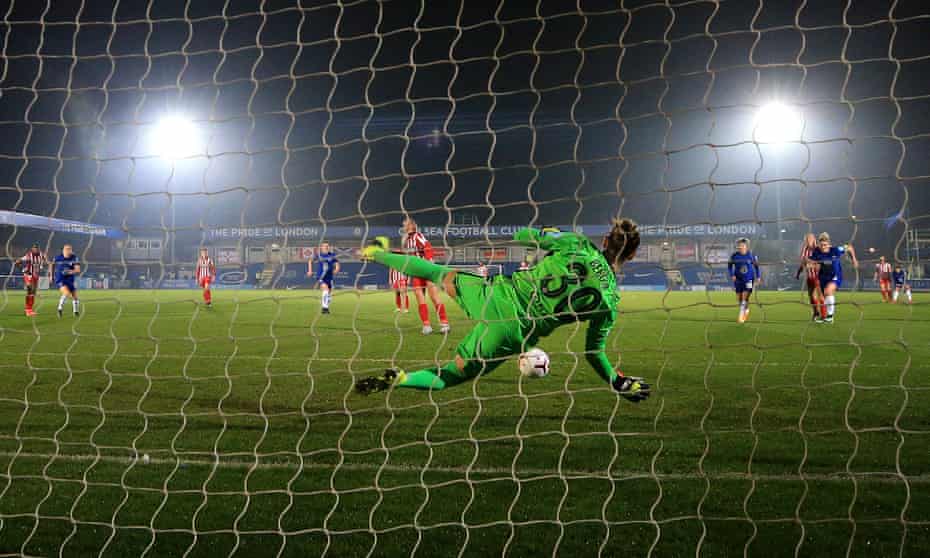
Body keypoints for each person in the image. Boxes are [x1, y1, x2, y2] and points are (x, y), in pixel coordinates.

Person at [354, 221, 650, 403]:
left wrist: (549, 237)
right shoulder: (610, 301)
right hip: (512, 332)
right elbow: (593, 353)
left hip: (494, 294)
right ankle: (403, 378)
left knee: (435, 272)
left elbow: (523, 235)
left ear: (605, 240)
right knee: (450, 375)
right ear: (632, 255)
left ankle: (375, 253)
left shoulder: (578, 244)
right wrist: (619, 381)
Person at [403, 217, 449, 334]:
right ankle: (426, 325)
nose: (404, 225)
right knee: (419, 296)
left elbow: (428, 247)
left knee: (433, 296)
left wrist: (428, 264)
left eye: (406, 223)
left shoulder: (417, 235)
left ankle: (444, 324)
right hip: (416, 272)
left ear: (412, 225)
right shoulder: (407, 241)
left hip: (426, 269)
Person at [808, 232, 858, 323]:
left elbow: (849, 247)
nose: (823, 247)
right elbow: (810, 261)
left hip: (835, 276)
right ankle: (824, 316)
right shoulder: (816, 251)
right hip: (822, 278)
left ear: (829, 244)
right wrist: (810, 264)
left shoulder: (836, 250)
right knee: (819, 296)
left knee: (828, 291)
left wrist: (854, 259)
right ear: (819, 244)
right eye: (821, 245)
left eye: (825, 245)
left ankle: (830, 317)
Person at [728, 238, 760, 323]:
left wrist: (758, 277)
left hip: (749, 279)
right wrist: (732, 275)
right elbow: (729, 266)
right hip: (738, 280)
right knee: (739, 298)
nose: (740, 246)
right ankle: (746, 309)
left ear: (746, 246)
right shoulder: (734, 255)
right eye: (739, 245)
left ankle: (741, 316)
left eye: (742, 245)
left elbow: (756, 267)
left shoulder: (751, 255)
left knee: (745, 297)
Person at [796, 233, 825, 321]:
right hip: (809, 277)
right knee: (811, 296)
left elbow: (823, 262)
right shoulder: (805, 250)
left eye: (809, 240)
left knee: (819, 296)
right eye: (806, 240)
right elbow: (803, 263)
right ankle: (816, 312)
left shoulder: (818, 249)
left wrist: (813, 265)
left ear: (813, 240)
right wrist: (798, 273)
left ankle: (823, 315)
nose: (807, 241)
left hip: (818, 276)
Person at [15, 243, 48, 316]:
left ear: (39, 249)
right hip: (28, 274)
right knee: (30, 289)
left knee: (33, 292)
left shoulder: (41, 255)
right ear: (32, 249)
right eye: (34, 248)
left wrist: (43, 266)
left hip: (36, 276)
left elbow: (46, 261)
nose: (36, 249)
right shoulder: (28, 255)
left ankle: (30, 309)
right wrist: (23, 269)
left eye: (37, 248)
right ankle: (28, 310)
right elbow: (17, 262)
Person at [310, 241, 339, 314]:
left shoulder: (332, 255)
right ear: (322, 247)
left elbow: (337, 263)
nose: (326, 247)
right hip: (321, 277)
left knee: (329, 295)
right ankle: (324, 308)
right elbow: (310, 261)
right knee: (325, 290)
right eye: (324, 246)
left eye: (327, 246)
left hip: (330, 277)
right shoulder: (319, 255)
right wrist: (310, 271)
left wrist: (337, 269)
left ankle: (326, 306)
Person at [52, 244, 81, 318]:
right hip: (60, 279)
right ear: (63, 250)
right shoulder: (58, 257)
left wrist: (69, 271)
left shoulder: (74, 258)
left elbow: (78, 270)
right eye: (66, 249)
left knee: (75, 297)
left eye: (69, 249)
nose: (68, 250)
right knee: (67, 293)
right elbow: (51, 265)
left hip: (70, 280)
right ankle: (60, 309)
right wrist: (51, 275)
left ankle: (76, 311)